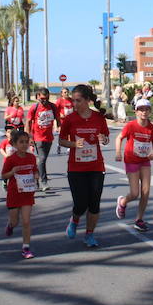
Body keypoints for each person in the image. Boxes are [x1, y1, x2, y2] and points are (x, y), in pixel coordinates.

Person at [58, 84, 110, 247]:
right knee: (80, 203)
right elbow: (61, 140)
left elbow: (106, 137)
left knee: (94, 204)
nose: (75, 104)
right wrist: (74, 144)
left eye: (78, 101)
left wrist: (104, 139)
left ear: (88, 100)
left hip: (96, 167)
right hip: (76, 168)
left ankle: (89, 235)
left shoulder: (98, 118)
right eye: (73, 101)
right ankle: (74, 220)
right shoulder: (69, 119)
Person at [114, 99, 153, 231]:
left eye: (146, 109)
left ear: (150, 111)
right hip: (131, 160)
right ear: (136, 111)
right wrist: (118, 152)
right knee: (135, 194)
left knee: (146, 192)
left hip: (145, 160)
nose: (144, 112)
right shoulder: (131, 125)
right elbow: (119, 138)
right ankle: (122, 202)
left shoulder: (151, 127)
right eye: (141, 109)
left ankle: (139, 219)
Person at [1, 129, 39, 259]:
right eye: (21, 142)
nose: (24, 144)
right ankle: (10, 225)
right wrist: (12, 172)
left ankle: (26, 248)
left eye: (26, 142)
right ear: (15, 144)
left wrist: (36, 175)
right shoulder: (11, 159)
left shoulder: (32, 157)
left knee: (26, 221)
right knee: (15, 221)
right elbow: (3, 175)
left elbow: (35, 170)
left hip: (27, 193)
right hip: (14, 193)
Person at [26, 88, 60, 192]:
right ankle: (44, 181)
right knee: (42, 158)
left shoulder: (53, 107)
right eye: (42, 99)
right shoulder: (34, 107)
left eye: (46, 98)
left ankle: (35, 176)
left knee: (41, 160)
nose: (44, 101)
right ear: (37, 97)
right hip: (37, 137)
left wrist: (59, 127)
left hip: (49, 137)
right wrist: (29, 137)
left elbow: (58, 119)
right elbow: (28, 122)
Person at [54, 87, 74, 153]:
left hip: (70, 120)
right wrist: (60, 114)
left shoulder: (71, 100)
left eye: (67, 92)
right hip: (62, 120)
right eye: (65, 92)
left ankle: (69, 148)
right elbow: (55, 110)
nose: (66, 93)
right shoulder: (59, 101)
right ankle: (59, 145)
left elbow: (74, 108)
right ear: (62, 94)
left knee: (70, 134)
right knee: (62, 135)